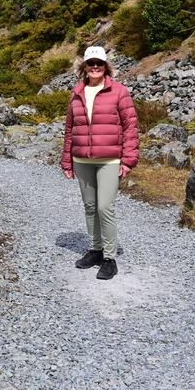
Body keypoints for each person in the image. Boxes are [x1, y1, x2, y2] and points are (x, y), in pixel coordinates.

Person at [61, 45, 139, 280]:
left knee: (105, 207)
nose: (95, 67)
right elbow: (69, 129)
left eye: (99, 64)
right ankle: (95, 249)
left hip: (110, 159)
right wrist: (67, 161)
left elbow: (131, 127)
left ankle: (109, 257)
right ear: (84, 67)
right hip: (82, 159)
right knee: (90, 207)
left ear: (106, 67)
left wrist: (128, 160)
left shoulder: (119, 92)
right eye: (91, 63)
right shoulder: (77, 93)